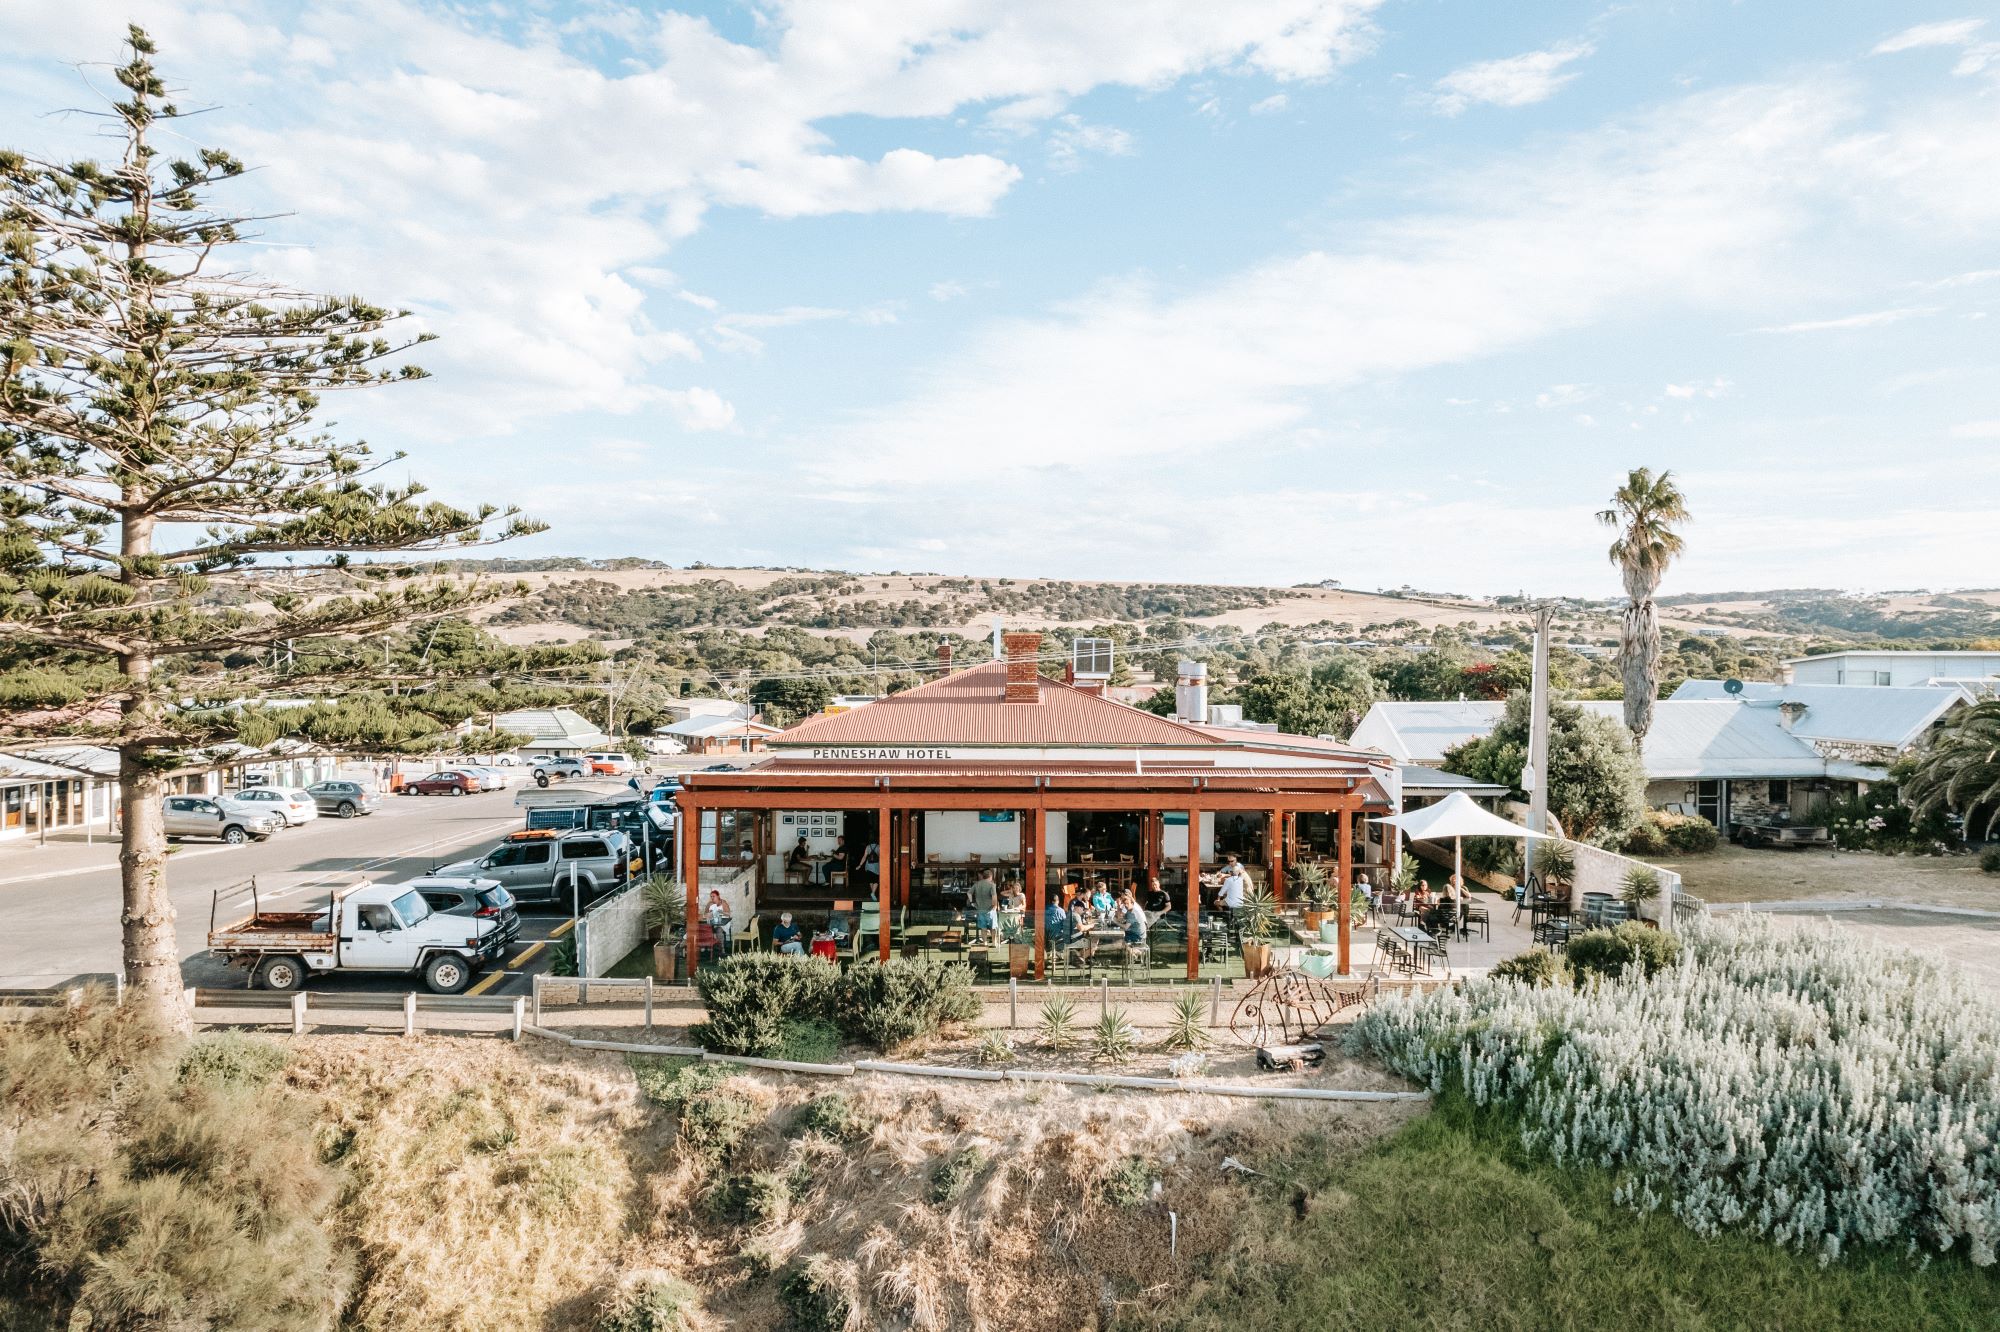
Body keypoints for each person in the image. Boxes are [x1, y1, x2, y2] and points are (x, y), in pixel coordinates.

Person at [970, 868, 999, 943]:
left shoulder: (977, 884)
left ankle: (985, 943)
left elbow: (969, 893)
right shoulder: (992, 885)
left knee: (983, 928)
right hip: (990, 909)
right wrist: (994, 907)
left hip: (980, 909)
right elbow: (994, 897)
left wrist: (972, 902)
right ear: (990, 876)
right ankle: (994, 942)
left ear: (983, 876)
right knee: (993, 927)